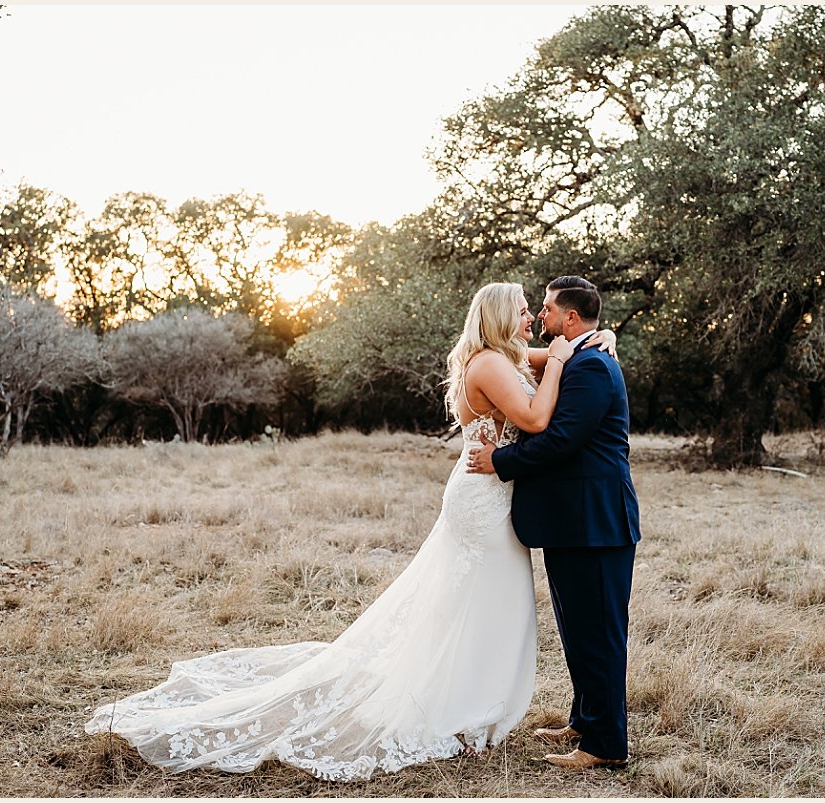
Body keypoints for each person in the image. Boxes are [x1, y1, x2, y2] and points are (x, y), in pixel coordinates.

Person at [84, 282, 616, 782]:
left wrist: (594, 339)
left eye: (537, 310)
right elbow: (538, 418)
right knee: (480, 604)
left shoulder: (508, 358)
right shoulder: (494, 364)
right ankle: (458, 706)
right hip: (484, 501)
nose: (533, 318)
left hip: (492, 498)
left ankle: (475, 701)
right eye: (525, 310)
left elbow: (555, 356)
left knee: (484, 605)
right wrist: (567, 357)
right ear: (502, 319)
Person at [467, 275, 640, 770]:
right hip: (573, 524)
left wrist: (501, 462)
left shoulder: (591, 366)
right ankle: (584, 720)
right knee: (578, 629)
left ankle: (604, 746)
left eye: (545, 309)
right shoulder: (581, 356)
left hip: (595, 524)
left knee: (600, 634)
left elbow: (560, 439)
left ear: (569, 318)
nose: (539, 317)